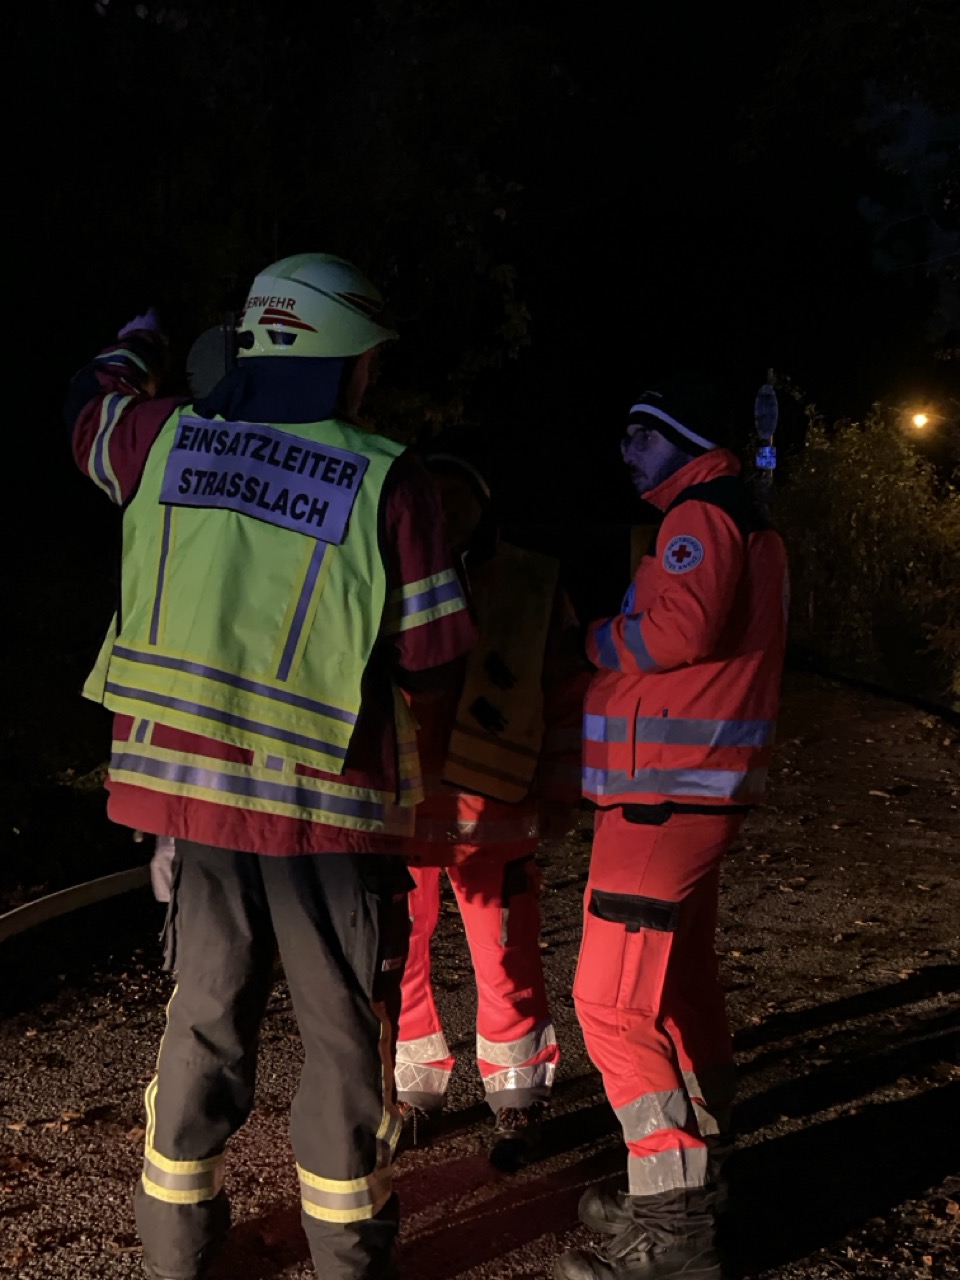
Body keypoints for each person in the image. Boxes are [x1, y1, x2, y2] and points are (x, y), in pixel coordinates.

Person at [65, 253, 477, 1280]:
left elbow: (88, 405)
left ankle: (178, 1251)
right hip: (329, 819)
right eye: (369, 361)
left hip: (193, 803)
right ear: (346, 360)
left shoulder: (161, 440)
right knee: (343, 1044)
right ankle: (349, 1258)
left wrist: (139, 336)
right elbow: (436, 660)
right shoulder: (393, 479)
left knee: (202, 1019)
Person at [555, 381, 789, 1280]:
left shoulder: (700, 515)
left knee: (612, 1005)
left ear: (682, 438)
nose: (624, 451)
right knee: (680, 985)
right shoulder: (733, 512)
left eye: (638, 434)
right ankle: (703, 1173)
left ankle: (672, 1232)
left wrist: (595, 642)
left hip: (664, 794)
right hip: (694, 792)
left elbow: (678, 633)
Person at [393, 436, 588, 1168]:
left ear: (484, 504)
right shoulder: (385, 575)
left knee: (506, 957)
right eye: (432, 495)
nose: (445, 510)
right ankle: (413, 1087)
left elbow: (567, 693)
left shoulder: (533, 586)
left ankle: (518, 1096)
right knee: (400, 955)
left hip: (496, 812)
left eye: (458, 496)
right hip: (406, 813)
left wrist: (564, 789)